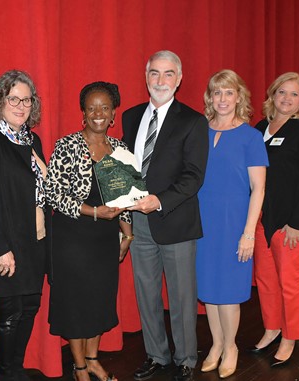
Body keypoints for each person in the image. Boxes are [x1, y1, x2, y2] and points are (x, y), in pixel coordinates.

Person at [122, 50, 209, 381]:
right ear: (146, 76)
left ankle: (186, 358)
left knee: (182, 295)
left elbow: (193, 176)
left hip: (175, 220)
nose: (161, 80)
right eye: (155, 73)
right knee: (146, 292)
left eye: (168, 74)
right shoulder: (131, 117)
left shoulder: (192, 121)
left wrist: (158, 200)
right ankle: (157, 355)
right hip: (139, 222)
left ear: (179, 78)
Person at [45, 82, 133, 381]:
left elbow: (126, 198)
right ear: (83, 112)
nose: (98, 113)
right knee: (76, 303)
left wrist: (127, 235)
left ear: (113, 114)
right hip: (72, 237)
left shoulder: (120, 149)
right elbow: (53, 193)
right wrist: (92, 211)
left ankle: (94, 359)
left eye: (104, 108)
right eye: (92, 107)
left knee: (99, 299)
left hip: (105, 239)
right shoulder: (66, 146)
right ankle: (80, 367)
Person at [0, 70, 50, 381]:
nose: (20, 106)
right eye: (13, 99)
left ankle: (16, 370)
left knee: (30, 307)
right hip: (5, 243)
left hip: (36, 239)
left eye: (26, 100)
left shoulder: (33, 140)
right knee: (9, 313)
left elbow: (43, 189)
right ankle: (6, 374)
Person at [196, 70, 268, 378]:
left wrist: (248, 234)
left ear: (238, 97)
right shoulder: (200, 131)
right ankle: (215, 344)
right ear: (210, 98)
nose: (222, 99)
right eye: (217, 93)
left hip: (234, 223)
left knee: (228, 291)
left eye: (228, 93)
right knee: (209, 289)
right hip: (202, 222)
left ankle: (231, 347)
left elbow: (259, 189)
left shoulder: (250, 136)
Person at [250, 72, 299, 367]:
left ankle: (290, 336)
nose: (287, 99)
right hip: (263, 219)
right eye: (282, 92)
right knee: (266, 280)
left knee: (290, 283)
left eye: (294, 94)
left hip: (293, 223)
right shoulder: (260, 128)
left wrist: (297, 222)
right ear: (272, 95)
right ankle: (272, 328)